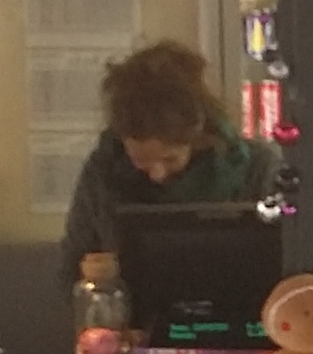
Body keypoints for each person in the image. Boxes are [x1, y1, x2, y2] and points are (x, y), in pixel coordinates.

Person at [59, 39, 267, 283]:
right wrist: (94, 278)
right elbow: (72, 265)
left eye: (170, 159)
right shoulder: (103, 171)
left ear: (198, 137)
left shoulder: (254, 169)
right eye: (140, 159)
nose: (157, 174)